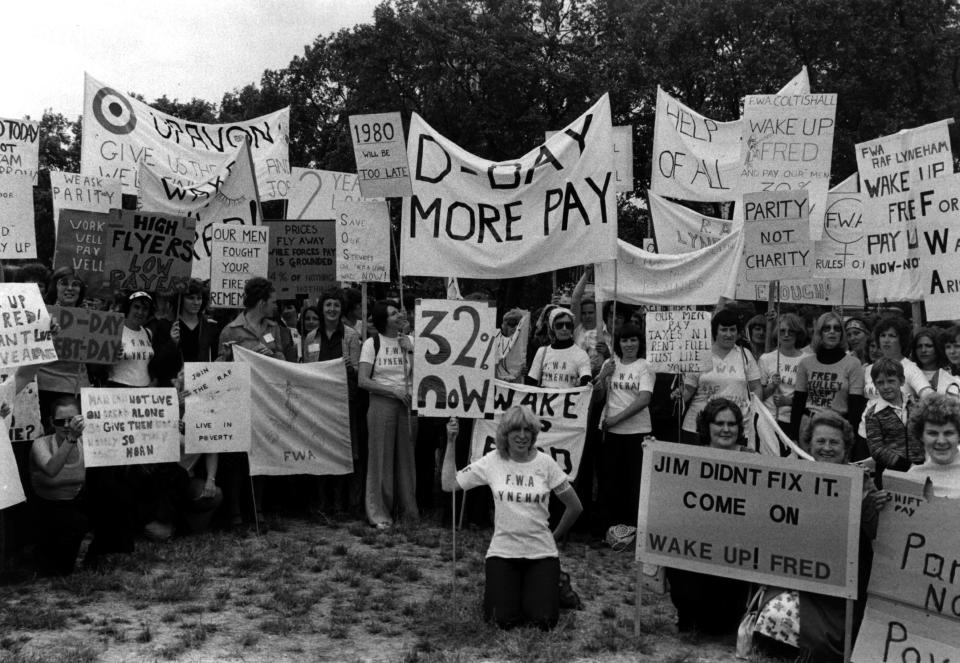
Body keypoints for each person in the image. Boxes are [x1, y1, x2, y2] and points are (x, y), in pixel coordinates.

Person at [441, 406, 583, 630]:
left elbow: (575, 507)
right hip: (503, 552)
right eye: (516, 429)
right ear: (505, 433)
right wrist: (451, 442)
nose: (522, 435)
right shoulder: (492, 461)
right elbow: (449, 484)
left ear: (534, 434)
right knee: (500, 620)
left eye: (528, 430)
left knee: (543, 621)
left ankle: (558, 584)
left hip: (541, 553)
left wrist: (554, 537)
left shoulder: (546, 463)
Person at [752, 410, 873, 662]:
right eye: (820, 441)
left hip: (844, 585)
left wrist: (869, 509)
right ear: (810, 444)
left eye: (834, 442)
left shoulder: (863, 482)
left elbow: (874, 539)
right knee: (774, 615)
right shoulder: (796, 478)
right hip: (801, 576)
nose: (827, 448)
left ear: (846, 447)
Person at [667, 398, 753, 634]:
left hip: (734, 548)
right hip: (696, 545)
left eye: (732, 424)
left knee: (720, 625)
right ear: (708, 426)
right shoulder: (691, 456)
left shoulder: (753, 458)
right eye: (720, 423)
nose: (726, 429)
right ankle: (687, 611)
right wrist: (654, 451)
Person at [358, 300, 416, 528]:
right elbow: (363, 380)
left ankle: (408, 512)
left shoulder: (410, 341)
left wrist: (410, 349)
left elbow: (424, 373)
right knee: (380, 459)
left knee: (406, 459)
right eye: (393, 313)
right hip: (382, 403)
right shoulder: (372, 343)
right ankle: (379, 514)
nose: (399, 315)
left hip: (407, 404)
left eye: (399, 311)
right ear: (384, 320)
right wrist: (392, 390)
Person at [304, 288, 362, 514]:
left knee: (339, 450)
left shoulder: (350, 336)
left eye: (336, 305)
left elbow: (359, 372)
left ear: (341, 309)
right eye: (328, 304)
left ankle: (338, 503)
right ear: (322, 307)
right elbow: (308, 370)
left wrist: (350, 367)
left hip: (342, 403)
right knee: (320, 449)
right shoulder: (311, 337)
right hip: (319, 402)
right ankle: (321, 501)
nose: (332, 309)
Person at [593, 323, 653, 527]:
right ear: (618, 343)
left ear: (640, 342)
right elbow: (597, 396)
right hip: (610, 432)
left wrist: (617, 419)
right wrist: (602, 376)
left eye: (633, 340)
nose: (629, 344)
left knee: (633, 481)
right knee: (609, 480)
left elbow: (644, 399)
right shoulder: (611, 363)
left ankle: (631, 527)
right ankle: (607, 525)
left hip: (636, 431)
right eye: (624, 340)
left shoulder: (645, 366)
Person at [678, 308, 761, 446]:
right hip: (698, 427)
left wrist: (753, 410)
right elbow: (688, 390)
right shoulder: (701, 354)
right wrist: (678, 396)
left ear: (738, 332)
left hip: (735, 427)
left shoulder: (745, 355)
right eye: (724, 329)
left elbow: (756, 388)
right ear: (715, 331)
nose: (728, 334)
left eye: (732, 330)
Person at [29, 397, 88, 575]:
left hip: (75, 505)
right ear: (51, 422)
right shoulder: (41, 444)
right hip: (46, 508)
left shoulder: (86, 443)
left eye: (72, 420)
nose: (66, 425)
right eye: (60, 421)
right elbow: (51, 469)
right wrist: (71, 439)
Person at [791, 312, 865, 441]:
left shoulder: (853, 364)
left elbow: (855, 408)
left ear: (842, 334)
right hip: (808, 427)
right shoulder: (805, 363)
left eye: (837, 328)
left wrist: (851, 440)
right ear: (819, 333)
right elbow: (798, 402)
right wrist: (793, 437)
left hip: (838, 427)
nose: (832, 332)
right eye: (827, 328)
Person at [37, 269, 92, 426]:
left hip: (75, 389)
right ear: (55, 286)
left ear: (81, 290)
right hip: (44, 387)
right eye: (64, 283)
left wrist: (114, 351)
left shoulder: (93, 319)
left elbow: (95, 359)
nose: (70, 288)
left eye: (75, 284)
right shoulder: (41, 314)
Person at [863, 358, 922, 486]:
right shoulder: (873, 414)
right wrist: (907, 465)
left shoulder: (917, 407)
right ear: (875, 384)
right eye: (880, 383)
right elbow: (877, 449)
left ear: (901, 381)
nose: (886, 387)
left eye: (891, 381)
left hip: (920, 471)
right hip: (889, 475)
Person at [217, 278, 295, 362]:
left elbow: (282, 362)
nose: (276, 306)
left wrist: (272, 355)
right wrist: (247, 356)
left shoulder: (273, 327)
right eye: (273, 302)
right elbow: (221, 368)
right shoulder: (230, 330)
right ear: (262, 303)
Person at [758, 313, 808, 442]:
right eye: (782, 331)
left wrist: (789, 401)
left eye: (791, 331)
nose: (786, 335)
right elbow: (757, 396)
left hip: (794, 421)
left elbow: (811, 397)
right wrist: (771, 386)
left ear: (797, 334)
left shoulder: (807, 360)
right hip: (769, 419)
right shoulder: (766, 359)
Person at [906, 393, 960, 497]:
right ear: (921, 436)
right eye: (932, 433)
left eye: (948, 433)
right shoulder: (913, 476)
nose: (941, 441)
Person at [526, 308, 592, 389]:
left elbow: (586, 382)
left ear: (572, 328)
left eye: (568, 325)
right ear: (553, 327)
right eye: (559, 325)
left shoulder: (581, 354)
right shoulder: (542, 352)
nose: (564, 329)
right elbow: (531, 382)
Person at [107, 291, 157, 387]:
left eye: (145, 309)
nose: (140, 312)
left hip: (144, 392)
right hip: (119, 389)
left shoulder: (148, 333)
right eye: (136, 307)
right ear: (128, 307)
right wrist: (110, 356)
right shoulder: (114, 331)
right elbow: (100, 366)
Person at [911, 327, 958, 394]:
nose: (923, 350)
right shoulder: (910, 372)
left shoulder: (950, 373)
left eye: (929, 346)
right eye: (919, 346)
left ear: (938, 347)